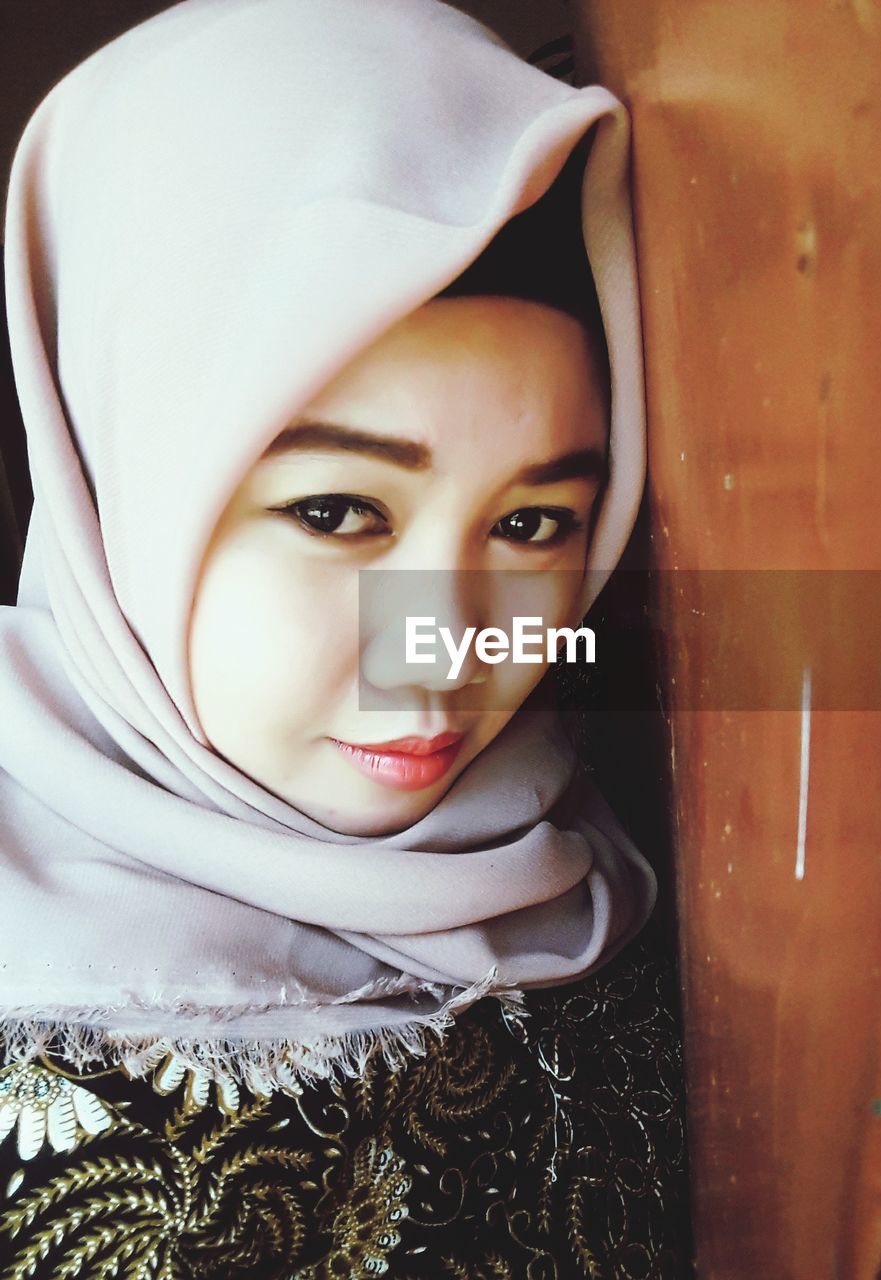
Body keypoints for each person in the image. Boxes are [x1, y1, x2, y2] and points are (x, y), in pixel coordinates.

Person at [0, 0, 687, 1273]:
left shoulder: (596, 872)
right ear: (116, 488)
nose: (441, 647)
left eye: (536, 520)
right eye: (336, 510)